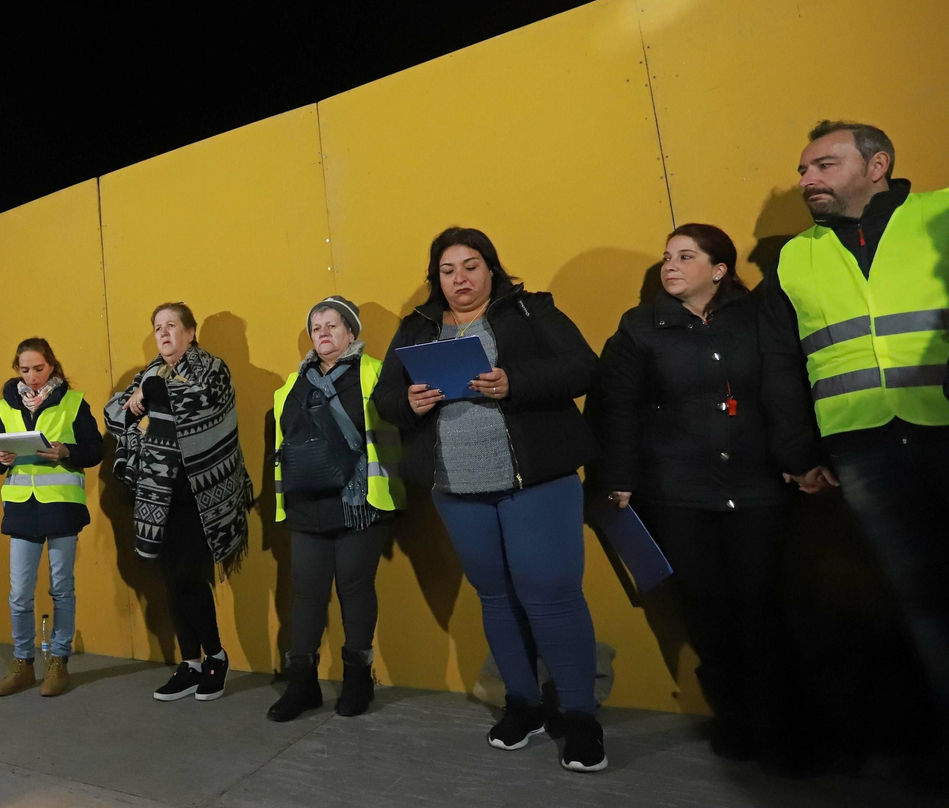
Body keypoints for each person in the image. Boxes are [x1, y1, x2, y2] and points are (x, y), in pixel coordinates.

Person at [371, 227, 605, 773]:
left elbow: (584, 366)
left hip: (536, 480)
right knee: (495, 597)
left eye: (471, 267)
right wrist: (408, 399)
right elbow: (385, 398)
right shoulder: (418, 326)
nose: (460, 280)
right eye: (448, 271)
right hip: (456, 487)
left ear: (492, 269)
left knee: (551, 595)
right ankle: (521, 703)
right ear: (437, 279)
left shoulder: (528, 311)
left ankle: (578, 715)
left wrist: (513, 382)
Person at [758, 120, 949, 775]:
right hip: (864, 448)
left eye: (823, 165)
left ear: (878, 165)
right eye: (805, 168)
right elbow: (783, 363)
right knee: (922, 602)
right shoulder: (795, 256)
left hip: (941, 427)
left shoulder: (941, 214)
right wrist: (796, 450)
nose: (807, 180)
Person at [595, 224, 804, 764]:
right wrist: (617, 479)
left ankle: (782, 732)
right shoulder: (640, 327)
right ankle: (734, 724)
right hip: (679, 492)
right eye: (666, 256)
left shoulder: (758, 316)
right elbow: (616, 406)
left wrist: (799, 457)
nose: (670, 265)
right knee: (708, 611)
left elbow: (786, 387)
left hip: (757, 488)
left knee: (761, 608)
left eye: (686, 256)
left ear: (719, 270)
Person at [105, 302, 254, 702]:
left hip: (203, 495)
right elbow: (115, 413)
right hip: (160, 496)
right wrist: (138, 407)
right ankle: (190, 663)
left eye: (172, 325)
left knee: (190, 576)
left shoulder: (212, 369)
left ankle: (216, 659)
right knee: (172, 580)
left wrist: (149, 397)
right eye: (158, 327)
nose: (165, 333)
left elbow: (199, 402)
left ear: (190, 332)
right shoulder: (151, 373)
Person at [267, 296, 400, 722]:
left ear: (351, 332)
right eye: (316, 327)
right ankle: (301, 684)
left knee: (354, 588)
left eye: (333, 326)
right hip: (306, 501)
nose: (323, 333)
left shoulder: (375, 371)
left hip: (358, 500)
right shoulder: (293, 382)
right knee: (306, 592)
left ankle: (358, 680)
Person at [0, 337, 103, 697]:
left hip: (62, 507)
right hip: (22, 507)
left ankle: (59, 661)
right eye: (25, 370)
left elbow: (95, 450)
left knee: (61, 589)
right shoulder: (6, 405)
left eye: (39, 368)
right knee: (19, 594)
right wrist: (0, 458)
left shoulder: (73, 402)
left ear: (52, 365)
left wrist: (66, 451)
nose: (33, 377)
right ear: (17, 370)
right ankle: (23, 662)